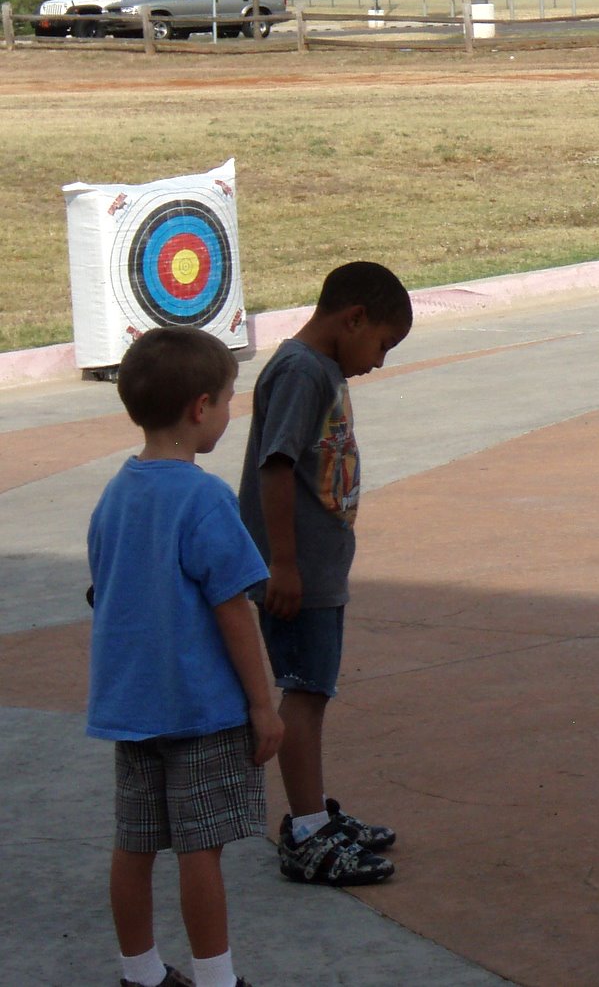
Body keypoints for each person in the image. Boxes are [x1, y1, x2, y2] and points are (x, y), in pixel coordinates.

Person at [87, 327, 283, 987]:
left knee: (135, 842)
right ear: (201, 407)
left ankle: (140, 972)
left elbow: (104, 586)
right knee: (202, 848)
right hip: (202, 708)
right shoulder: (204, 499)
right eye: (229, 399)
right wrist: (263, 704)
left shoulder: (116, 494)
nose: (231, 412)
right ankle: (216, 977)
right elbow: (234, 608)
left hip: (130, 706)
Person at [238, 260, 412, 886]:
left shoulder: (320, 369)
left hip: (316, 570)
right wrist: (282, 564)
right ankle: (307, 831)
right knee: (305, 693)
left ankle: (316, 815)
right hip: (297, 575)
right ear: (354, 318)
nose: (381, 361)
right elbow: (275, 466)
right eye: (383, 344)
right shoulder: (301, 372)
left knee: (315, 690)